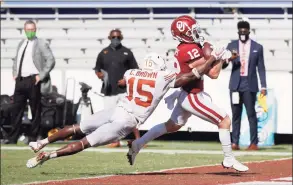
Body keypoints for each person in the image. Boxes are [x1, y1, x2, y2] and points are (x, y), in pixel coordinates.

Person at [26, 51, 224, 168]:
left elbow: (122, 82)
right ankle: (49, 156)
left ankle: (40, 142)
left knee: (77, 127)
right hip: (126, 120)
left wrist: (126, 84)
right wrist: (211, 60)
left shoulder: (131, 73)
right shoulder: (161, 78)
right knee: (84, 142)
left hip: (116, 109)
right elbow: (191, 76)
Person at [126, 15, 249, 172]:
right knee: (224, 120)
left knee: (171, 126)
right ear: (183, 34)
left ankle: (137, 144)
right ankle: (229, 159)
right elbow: (213, 73)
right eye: (192, 31)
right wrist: (217, 57)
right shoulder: (189, 50)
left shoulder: (186, 48)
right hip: (192, 96)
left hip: (187, 92)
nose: (196, 33)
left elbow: (207, 66)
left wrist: (222, 58)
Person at [2, 20, 55, 144]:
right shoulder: (21, 43)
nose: (30, 32)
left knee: (35, 110)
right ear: (24, 30)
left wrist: (40, 76)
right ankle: (13, 138)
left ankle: (33, 137)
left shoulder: (41, 43)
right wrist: (15, 73)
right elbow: (16, 60)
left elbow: (51, 60)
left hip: (34, 80)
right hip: (20, 80)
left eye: (32, 29)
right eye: (28, 30)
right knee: (16, 109)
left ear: (35, 30)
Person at [222, 19, 267, 151]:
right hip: (236, 85)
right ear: (238, 32)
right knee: (235, 115)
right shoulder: (231, 45)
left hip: (250, 84)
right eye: (240, 31)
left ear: (248, 32)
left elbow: (261, 68)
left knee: (251, 114)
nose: (242, 33)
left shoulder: (257, 47)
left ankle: (254, 143)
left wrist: (263, 85)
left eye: (245, 31)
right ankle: (234, 142)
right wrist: (229, 58)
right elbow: (223, 65)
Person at [94, 28, 140, 147]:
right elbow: (97, 70)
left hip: (124, 90)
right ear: (109, 38)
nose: (116, 39)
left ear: (121, 38)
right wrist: (100, 75)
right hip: (109, 91)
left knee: (130, 114)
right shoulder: (103, 53)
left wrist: (126, 80)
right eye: (113, 37)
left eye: (118, 37)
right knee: (111, 117)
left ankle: (139, 139)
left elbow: (135, 71)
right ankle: (114, 141)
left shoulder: (127, 52)